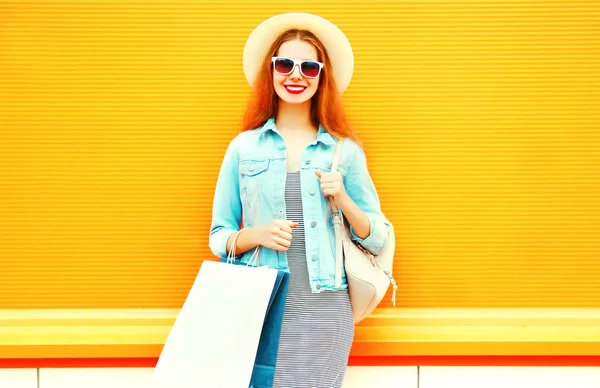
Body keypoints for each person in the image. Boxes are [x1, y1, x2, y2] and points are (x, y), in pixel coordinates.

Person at [209, 12, 391, 388]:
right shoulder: (243, 148)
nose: (296, 75)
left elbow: (377, 237)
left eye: (309, 66)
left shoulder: (344, 152)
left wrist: (343, 199)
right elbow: (219, 235)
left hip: (325, 311)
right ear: (271, 71)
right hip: (260, 305)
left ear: (322, 76)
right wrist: (255, 235)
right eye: (285, 64)